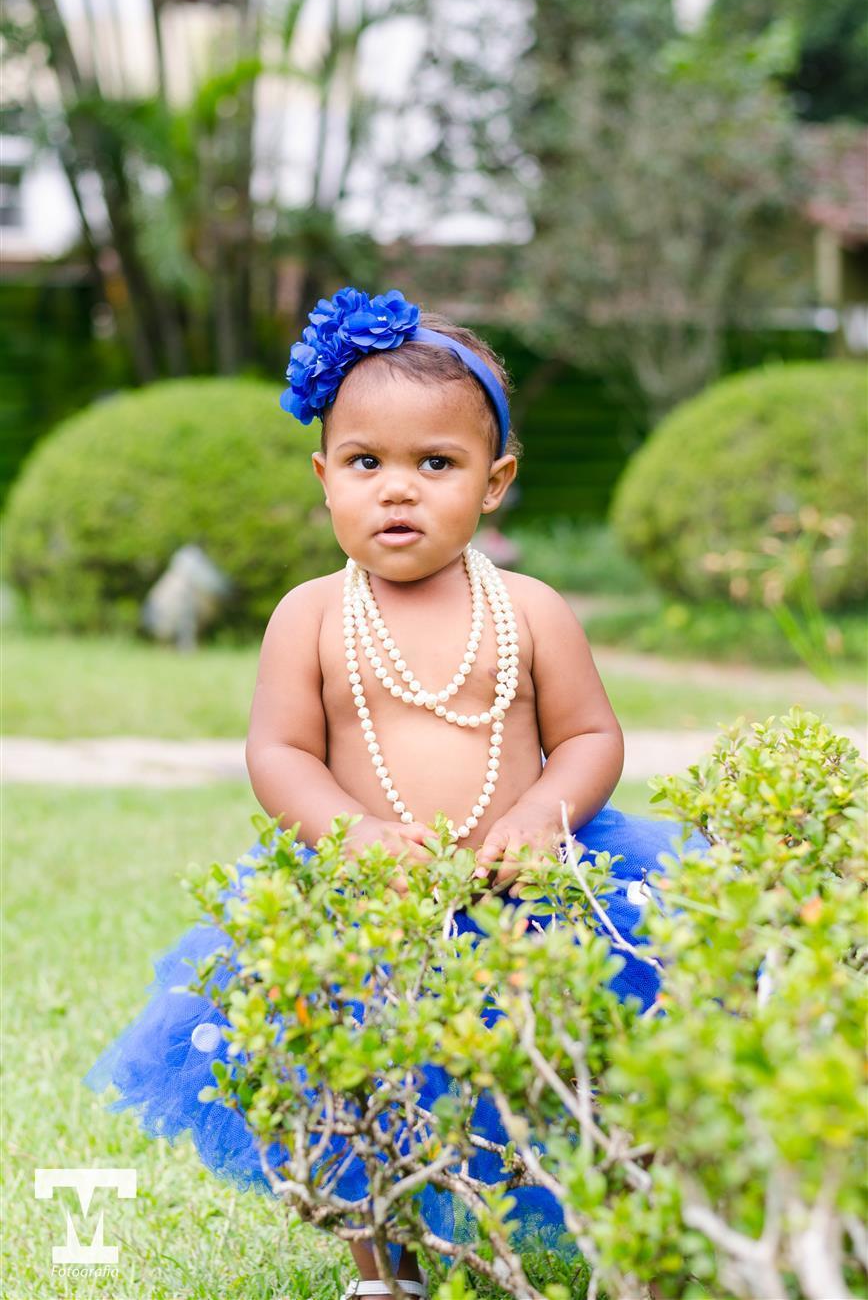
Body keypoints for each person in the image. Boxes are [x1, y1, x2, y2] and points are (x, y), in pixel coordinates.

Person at [83, 287, 698, 1299]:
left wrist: (544, 816)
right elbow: (279, 753)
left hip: (523, 895)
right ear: (325, 476)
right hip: (372, 900)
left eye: (436, 465)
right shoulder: (312, 616)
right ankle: (384, 1266)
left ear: (494, 483)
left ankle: (614, 1224)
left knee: (551, 1068)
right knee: (367, 1081)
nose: (397, 491)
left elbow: (591, 734)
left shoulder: (532, 611)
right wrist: (354, 832)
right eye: (367, 464)